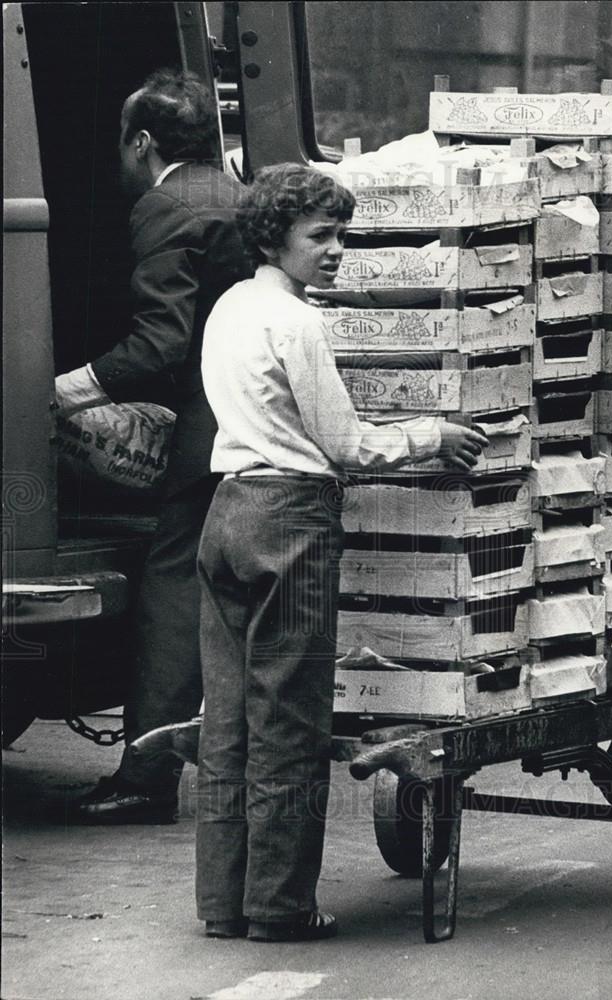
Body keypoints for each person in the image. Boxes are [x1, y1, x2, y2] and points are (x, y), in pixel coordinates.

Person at [195, 162, 488, 941]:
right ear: (274, 237)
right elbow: (345, 444)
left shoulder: (230, 307)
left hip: (224, 511)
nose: (334, 252)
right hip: (287, 517)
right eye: (319, 237)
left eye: (341, 236)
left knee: (227, 721)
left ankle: (225, 904)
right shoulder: (296, 322)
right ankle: (281, 907)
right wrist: (433, 436)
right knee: (289, 721)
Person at [56, 69, 253, 823]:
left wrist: (61, 390)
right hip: (256, 422)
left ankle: (144, 778)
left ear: (141, 142)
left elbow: (156, 347)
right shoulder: (237, 193)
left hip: (214, 433)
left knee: (172, 596)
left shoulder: (166, 204)